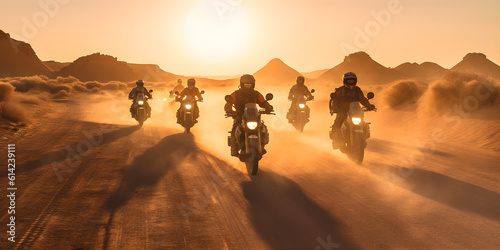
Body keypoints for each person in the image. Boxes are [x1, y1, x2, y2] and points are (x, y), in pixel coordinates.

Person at [225, 74, 273, 157]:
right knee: (234, 129)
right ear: (242, 84)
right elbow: (229, 102)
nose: (248, 86)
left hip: (254, 114)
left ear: (253, 85)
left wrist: (268, 107)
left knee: (262, 127)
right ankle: (234, 150)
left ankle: (262, 144)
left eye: (249, 84)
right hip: (239, 114)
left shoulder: (256, 94)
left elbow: (263, 102)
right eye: (246, 84)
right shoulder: (236, 94)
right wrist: (228, 109)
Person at [329, 72, 375, 148]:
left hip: (355, 111)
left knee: (364, 124)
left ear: (355, 81)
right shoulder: (340, 91)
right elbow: (335, 100)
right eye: (349, 81)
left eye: (352, 80)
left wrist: (369, 106)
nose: (351, 82)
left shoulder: (357, 90)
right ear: (345, 81)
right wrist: (335, 107)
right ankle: (336, 141)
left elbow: (363, 100)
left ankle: (363, 137)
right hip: (343, 111)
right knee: (337, 124)